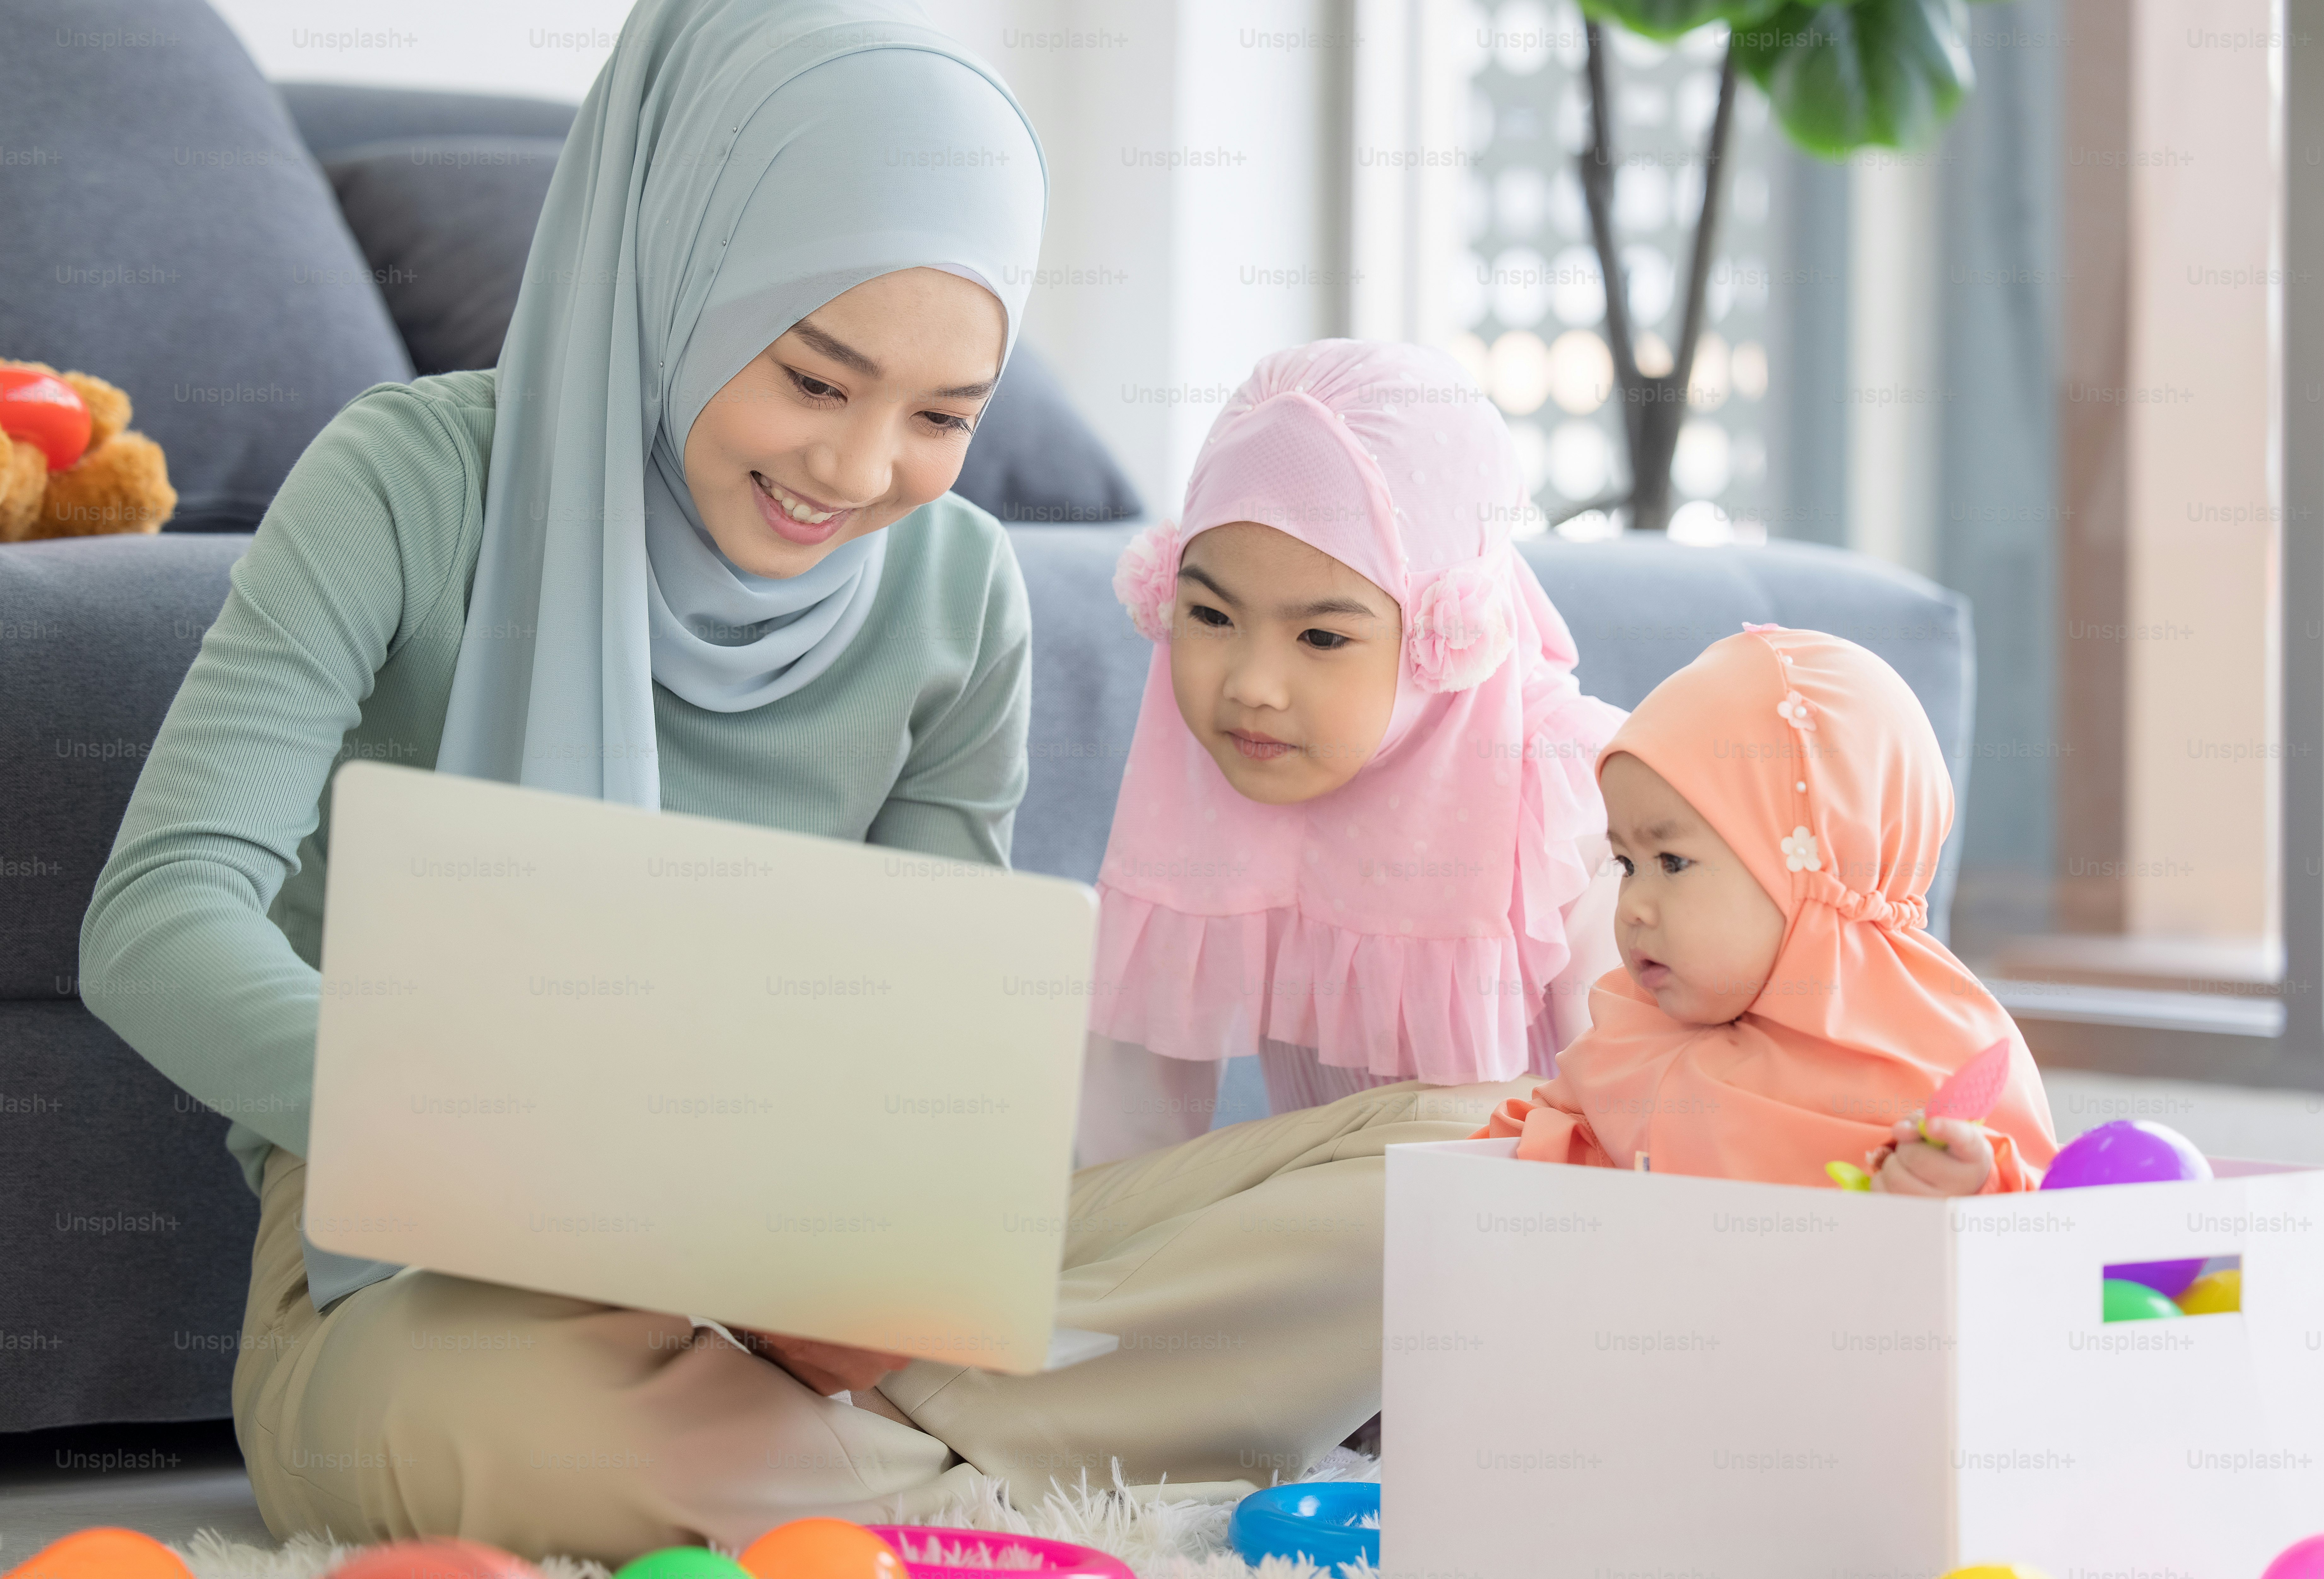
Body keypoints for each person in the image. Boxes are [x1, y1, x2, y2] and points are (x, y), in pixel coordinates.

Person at [78, 0, 1495, 1559]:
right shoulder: (412, 480)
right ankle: (1033, 1470)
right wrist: (524, 1138)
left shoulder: (956, 587)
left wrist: (866, 1270)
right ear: (685, 268)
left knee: (1479, 1159)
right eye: (816, 379)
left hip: (827, 1274)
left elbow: (931, 1061)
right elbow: (157, 917)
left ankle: (864, 1456)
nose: (857, 468)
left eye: (943, 413)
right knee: (481, 1420)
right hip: (431, 1264)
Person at [1077, 340, 1627, 1166]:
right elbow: (1118, 1151)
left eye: (1323, 636)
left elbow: (1645, 1131)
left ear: (1448, 633)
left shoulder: (1578, 795)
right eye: (1210, 618)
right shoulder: (1220, 763)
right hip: (1337, 1240)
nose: (1252, 685)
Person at [1480, 625, 2059, 1194]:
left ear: (1820, 866)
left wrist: (1972, 1184)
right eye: (1627, 865)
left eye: (1673, 862)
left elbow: (2050, 1237)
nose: (1632, 908)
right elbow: (1511, 1168)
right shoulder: (1629, 1041)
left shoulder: (1937, 1050)